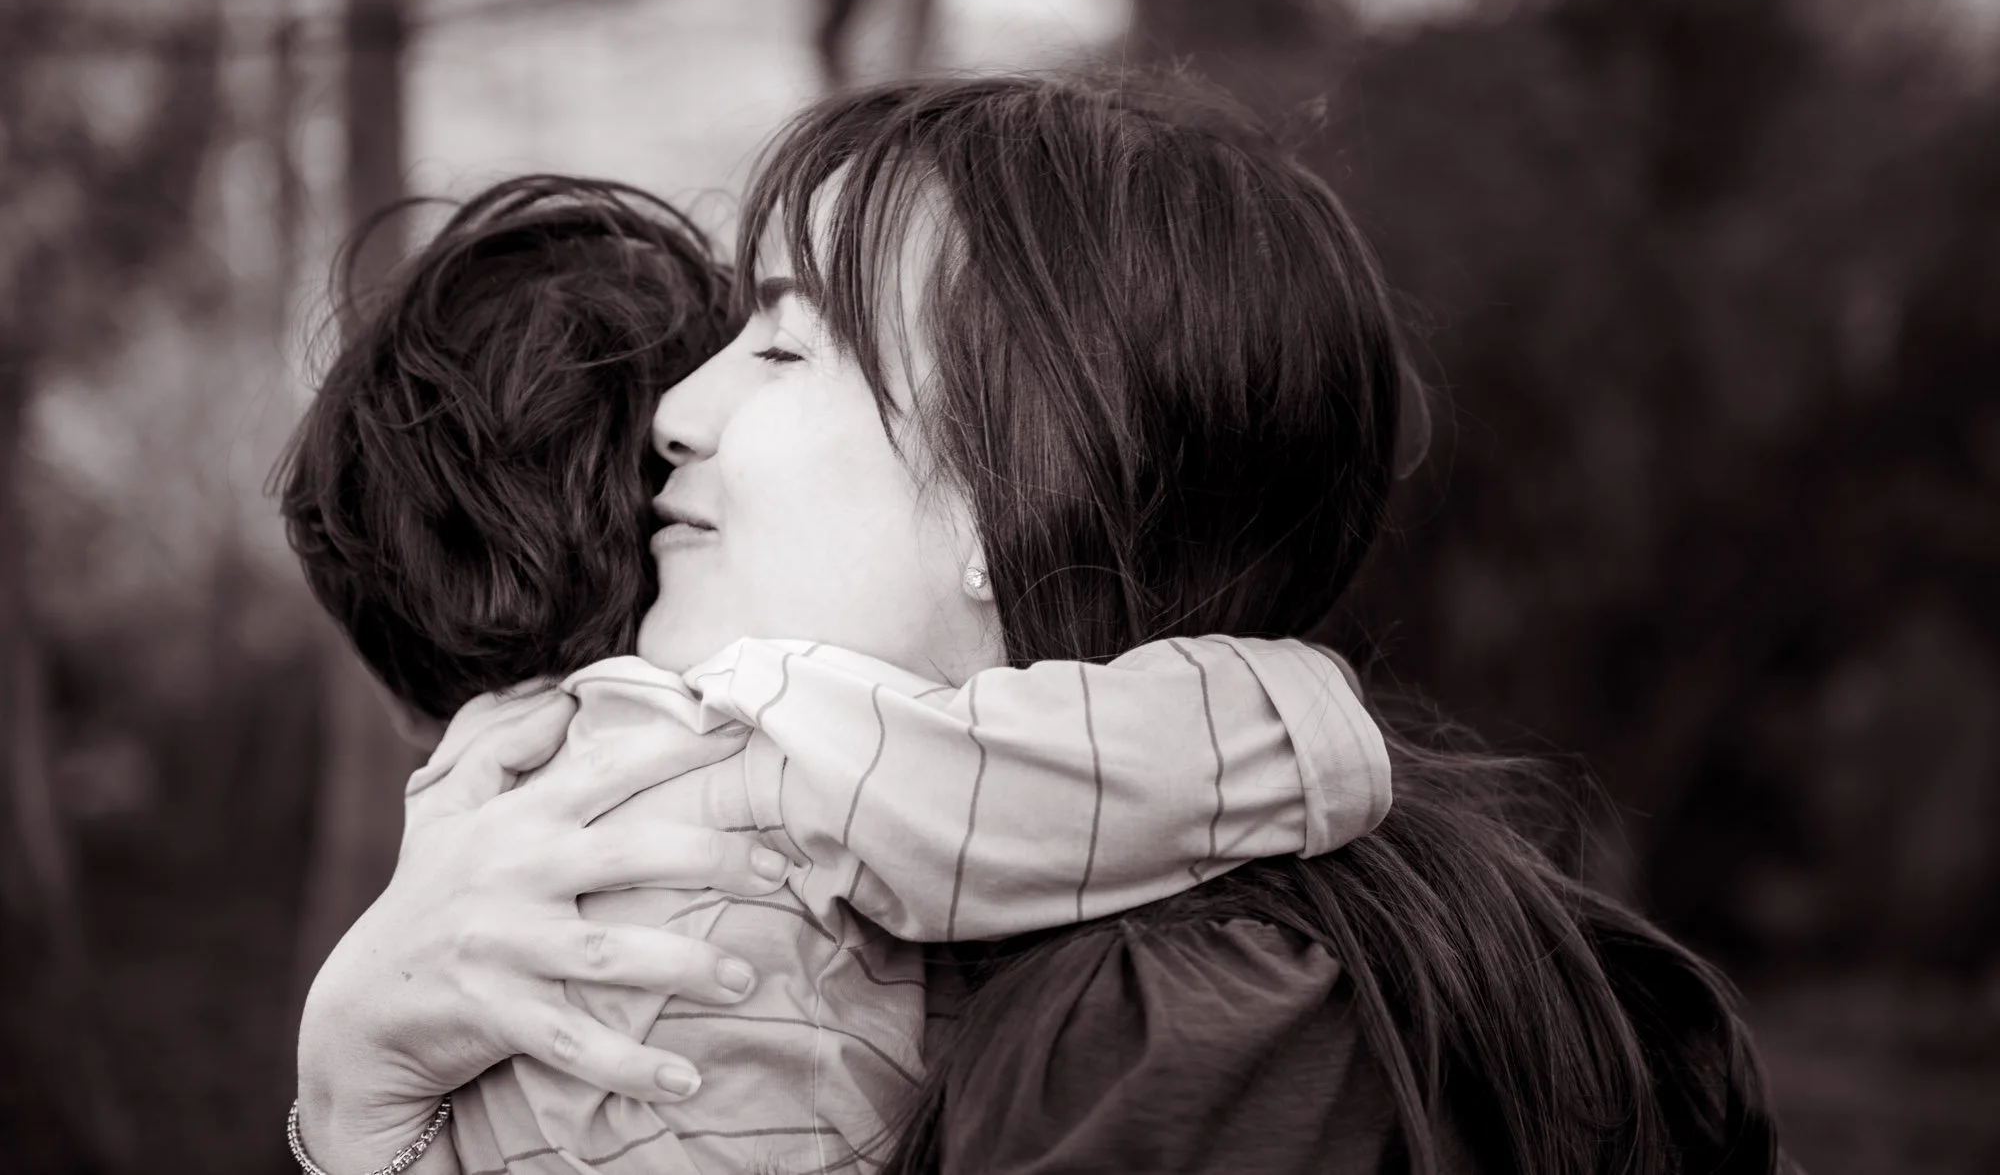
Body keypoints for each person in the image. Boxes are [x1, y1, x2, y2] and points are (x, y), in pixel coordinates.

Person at [295, 74, 1787, 1175]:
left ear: (1011, 510)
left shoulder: (1206, 1031)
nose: (675, 416)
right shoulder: (990, 940)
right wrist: (358, 1105)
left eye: (785, 343)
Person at [279, 167, 1394, 1174]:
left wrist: (351, 1118)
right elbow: (1082, 781)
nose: (680, 418)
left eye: (782, 349)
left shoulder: (515, 810)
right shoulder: (776, 737)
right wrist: (1302, 707)